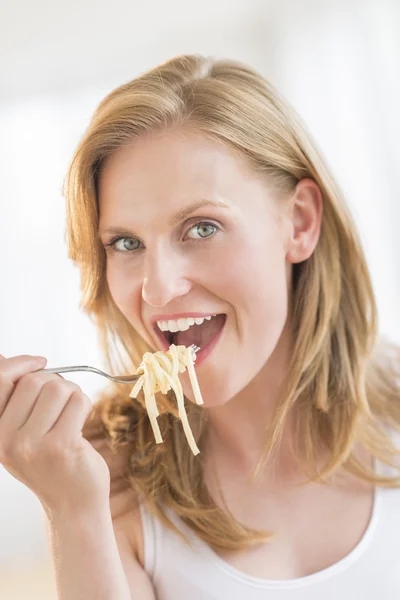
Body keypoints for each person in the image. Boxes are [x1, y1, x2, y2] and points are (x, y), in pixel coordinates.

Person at [1, 54, 400, 600]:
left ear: (299, 223)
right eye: (126, 244)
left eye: (202, 228)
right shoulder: (106, 471)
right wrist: (72, 511)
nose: (157, 289)